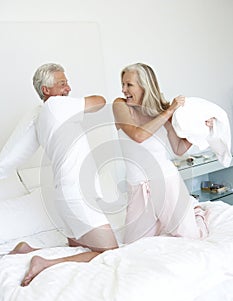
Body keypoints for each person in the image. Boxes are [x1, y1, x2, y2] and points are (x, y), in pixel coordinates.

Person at [10, 63, 118, 286]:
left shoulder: (42, 118)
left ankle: (28, 250)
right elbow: (98, 101)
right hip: (77, 193)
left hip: (65, 195)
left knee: (77, 248)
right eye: (62, 83)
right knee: (110, 252)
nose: (68, 88)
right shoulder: (56, 106)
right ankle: (43, 263)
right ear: (46, 90)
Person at [113, 62, 212, 243]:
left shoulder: (161, 111)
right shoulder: (120, 106)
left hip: (166, 180)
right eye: (123, 84)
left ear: (144, 86)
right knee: (133, 245)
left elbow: (179, 149)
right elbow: (138, 135)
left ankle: (196, 215)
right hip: (137, 186)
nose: (123, 90)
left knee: (191, 237)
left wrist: (201, 130)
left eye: (129, 85)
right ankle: (187, 210)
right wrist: (170, 111)